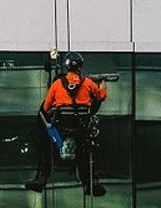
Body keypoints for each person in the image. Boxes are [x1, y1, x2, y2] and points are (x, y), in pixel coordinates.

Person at [25, 51, 108, 196]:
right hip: (80, 132)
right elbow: (101, 96)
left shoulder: (57, 84)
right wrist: (102, 85)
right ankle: (90, 183)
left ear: (66, 67)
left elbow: (45, 108)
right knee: (86, 151)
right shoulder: (88, 83)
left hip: (59, 134)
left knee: (46, 145)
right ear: (80, 67)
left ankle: (41, 178)